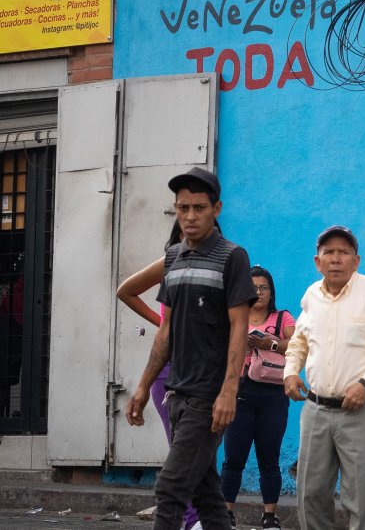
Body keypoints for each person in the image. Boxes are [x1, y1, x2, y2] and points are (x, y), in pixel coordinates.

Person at [125, 167, 255, 530]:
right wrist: (142, 384)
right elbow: (166, 331)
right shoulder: (173, 258)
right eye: (183, 208)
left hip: (209, 396)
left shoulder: (233, 257)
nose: (190, 216)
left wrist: (229, 390)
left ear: (216, 209)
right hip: (177, 393)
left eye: (199, 207)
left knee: (170, 486)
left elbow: (239, 327)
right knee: (206, 495)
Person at [283, 226, 365, 530]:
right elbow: (299, 341)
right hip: (315, 411)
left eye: (343, 252)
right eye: (329, 253)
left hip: (361, 413)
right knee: (310, 494)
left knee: (361, 499)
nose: (336, 259)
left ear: (356, 260)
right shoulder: (312, 295)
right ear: (317, 261)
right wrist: (290, 372)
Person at [116, 221, 200, 530]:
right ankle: (191, 520)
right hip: (170, 373)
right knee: (183, 454)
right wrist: (161, 323)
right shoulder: (169, 263)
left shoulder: (220, 267)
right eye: (183, 230)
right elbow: (126, 291)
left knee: (199, 454)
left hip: (204, 375)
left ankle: (194, 518)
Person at [220, 265, 294, 530]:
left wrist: (269, 343)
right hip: (240, 391)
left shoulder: (282, 317)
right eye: (253, 288)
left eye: (264, 288)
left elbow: (296, 345)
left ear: (271, 291)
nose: (259, 293)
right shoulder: (235, 317)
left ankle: (270, 516)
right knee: (233, 458)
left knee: (269, 458)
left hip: (273, 394)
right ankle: (226, 514)